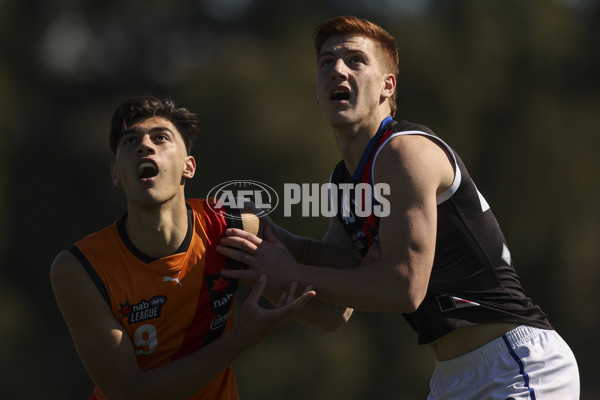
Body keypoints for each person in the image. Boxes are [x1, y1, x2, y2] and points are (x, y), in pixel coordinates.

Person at [217, 16, 580, 399]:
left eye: (355, 60)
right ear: (318, 91)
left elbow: (404, 287)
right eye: (326, 62)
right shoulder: (344, 181)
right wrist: (253, 248)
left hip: (516, 365)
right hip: (452, 378)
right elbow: (329, 312)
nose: (337, 69)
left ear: (387, 87)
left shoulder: (404, 153)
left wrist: (291, 268)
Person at [50, 96, 353, 400]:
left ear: (188, 167)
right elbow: (130, 392)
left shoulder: (231, 227)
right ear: (116, 173)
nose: (144, 146)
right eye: (130, 141)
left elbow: (330, 314)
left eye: (161, 137)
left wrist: (363, 233)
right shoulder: (81, 268)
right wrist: (243, 338)